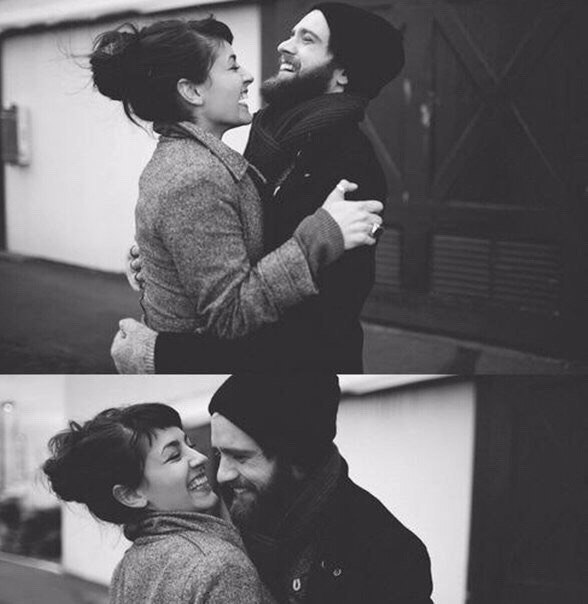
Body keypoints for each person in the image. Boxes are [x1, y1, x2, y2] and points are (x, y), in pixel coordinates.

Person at [111, 3, 403, 373]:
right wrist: (169, 256)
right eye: (292, 33)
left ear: (343, 73)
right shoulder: (272, 135)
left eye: (307, 39)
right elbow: (237, 236)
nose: (284, 45)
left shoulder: (351, 163)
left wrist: (166, 354)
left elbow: (314, 323)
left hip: (302, 374)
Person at [208, 373, 434, 603]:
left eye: (240, 457)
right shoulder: (232, 531)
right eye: (218, 454)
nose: (221, 475)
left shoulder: (388, 557)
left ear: (297, 460)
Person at [42, 403, 275, 603]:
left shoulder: (127, 567)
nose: (201, 458)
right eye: (174, 456)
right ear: (130, 495)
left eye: (190, 445)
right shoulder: (221, 565)